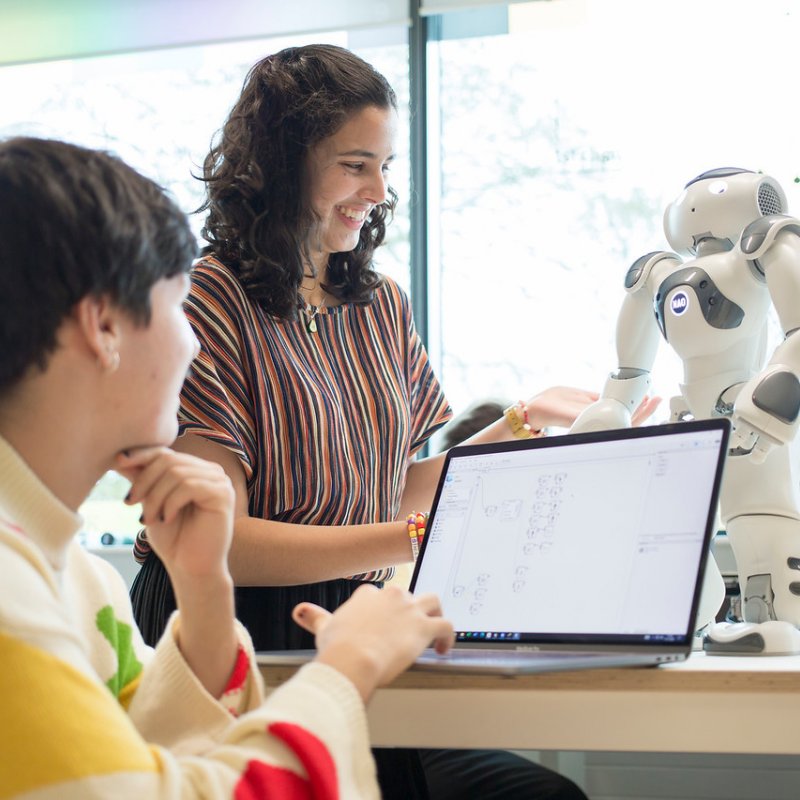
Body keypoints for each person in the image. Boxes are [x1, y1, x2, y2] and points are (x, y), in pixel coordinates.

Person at [130, 44, 653, 799]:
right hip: (240, 620)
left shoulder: (378, 304)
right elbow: (219, 543)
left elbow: (399, 488)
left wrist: (522, 425)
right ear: (283, 165)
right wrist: (414, 539)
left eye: (385, 166)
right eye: (354, 164)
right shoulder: (209, 302)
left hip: (349, 609)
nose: (378, 189)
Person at [0, 135, 455, 799]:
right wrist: (349, 666)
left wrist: (205, 588)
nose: (192, 342)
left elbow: (161, 754)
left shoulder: (76, 576)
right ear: (102, 326)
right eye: (177, 300)